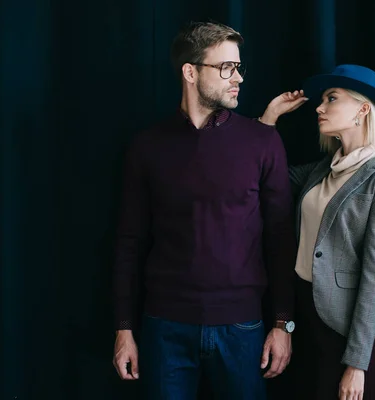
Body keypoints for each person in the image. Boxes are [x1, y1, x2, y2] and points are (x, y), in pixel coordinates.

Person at [111, 21, 298, 400]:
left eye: (239, 67)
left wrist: (283, 323)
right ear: (190, 72)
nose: (239, 78)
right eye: (226, 67)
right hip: (164, 328)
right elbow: (129, 241)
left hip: (243, 329)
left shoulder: (263, 141)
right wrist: (123, 328)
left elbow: (280, 238)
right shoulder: (147, 147)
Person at [260, 64, 375, 400]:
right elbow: (266, 176)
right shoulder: (321, 171)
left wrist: (357, 365)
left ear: (363, 108)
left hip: (345, 336)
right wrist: (269, 120)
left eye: (331, 98)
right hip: (303, 324)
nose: (319, 107)